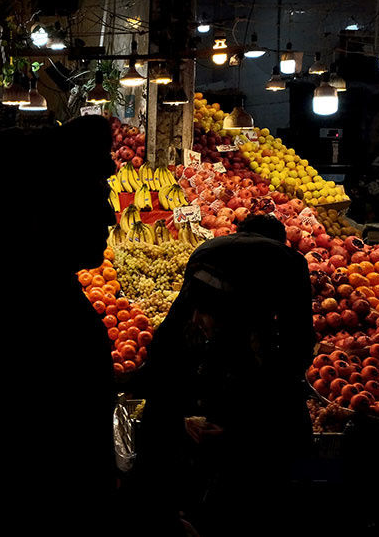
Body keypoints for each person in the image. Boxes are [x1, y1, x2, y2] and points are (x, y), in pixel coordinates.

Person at [0, 115, 117, 535]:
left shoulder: (32, 279)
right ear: (44, 213)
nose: (108, 215)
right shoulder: (17, 304)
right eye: (94, 198)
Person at [132, 213, 314, 535]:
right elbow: (297, 346)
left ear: (239, 232)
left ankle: (165, 512)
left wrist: (174, 414)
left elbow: (173, 333)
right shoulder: (290, 261)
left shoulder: (209, 248)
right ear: (281, 240)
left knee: (177, 379)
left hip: (198, 350)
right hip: (245, 362)